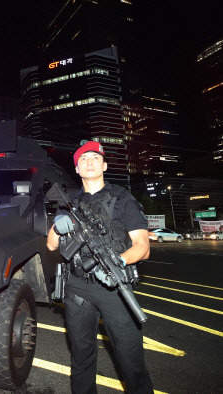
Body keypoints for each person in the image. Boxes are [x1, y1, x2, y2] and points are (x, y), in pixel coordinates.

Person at [46, 141, 153, 394]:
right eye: (83, 159)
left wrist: (120, 262)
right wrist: (57, 225)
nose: (90, 162)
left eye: (95, 157)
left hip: (114, 287)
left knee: (131, 359)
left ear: (104, 165)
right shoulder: (68, 203)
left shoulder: (123, 199)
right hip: (77, 289)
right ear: (77, 168)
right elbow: (51, 245)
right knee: (81, 357)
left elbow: (143, 247)